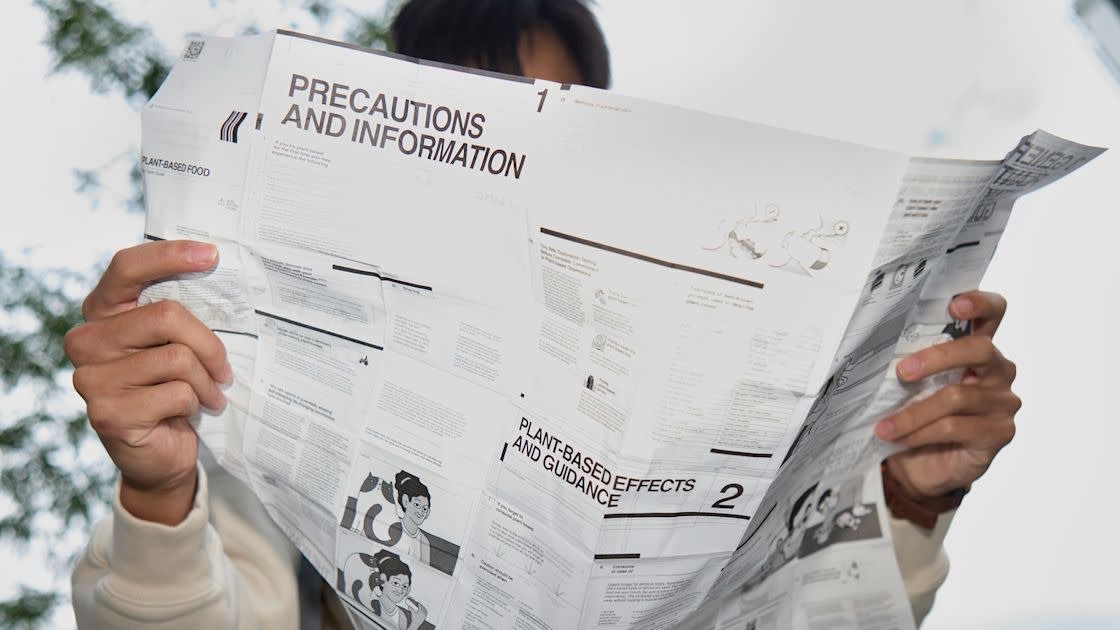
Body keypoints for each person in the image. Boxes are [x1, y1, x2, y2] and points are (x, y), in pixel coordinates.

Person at [67, 1, 1021, 628]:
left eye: (555, 122)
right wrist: (159, 497)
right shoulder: (268, 385)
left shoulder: (691, 397)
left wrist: (909, 503)